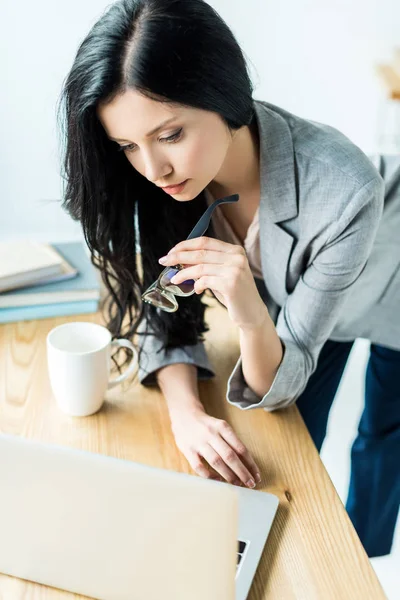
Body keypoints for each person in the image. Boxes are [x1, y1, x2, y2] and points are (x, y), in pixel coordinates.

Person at [58, 0, 400, 558]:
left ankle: (363, 559)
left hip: (392, 279)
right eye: (127, 145)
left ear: (223, 95)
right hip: (307, 297)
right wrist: (186, 412)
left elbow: (287, 358)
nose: (152, 168)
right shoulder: (162, 174)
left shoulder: (344, 186)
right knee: (289, 445)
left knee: (382, 435)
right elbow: (164, 308)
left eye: (170, 134)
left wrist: (246, 309)